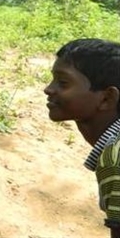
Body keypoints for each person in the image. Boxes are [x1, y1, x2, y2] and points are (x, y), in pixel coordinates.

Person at [44, 38, 120, 238]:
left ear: (106, 98)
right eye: (53, 79)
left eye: (63, 82)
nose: (48, 89)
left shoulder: (115, 158)